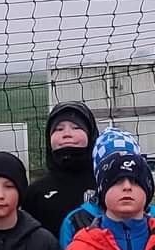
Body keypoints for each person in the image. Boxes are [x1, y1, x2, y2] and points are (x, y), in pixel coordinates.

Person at [22, 100, 98, 238]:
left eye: (76, 127)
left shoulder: (104, 185)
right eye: (59, 129)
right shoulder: (35, 193)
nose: (67, 134)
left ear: (90, 135)